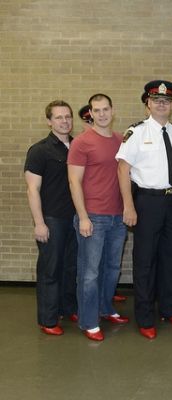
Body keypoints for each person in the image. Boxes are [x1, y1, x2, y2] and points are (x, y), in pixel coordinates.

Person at [116, 80, 172, 340]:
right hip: (147, 202)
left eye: (167, 100)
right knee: (145, 261)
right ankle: (145, 317)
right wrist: (128, 205)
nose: (162, 104)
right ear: (148, 103)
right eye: (157, 100)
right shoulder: (136, 132)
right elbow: (123, 169)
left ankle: (169, 308)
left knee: (170, 258)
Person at [67, 93, 128, 341]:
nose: (102, 114)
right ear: (91, 113)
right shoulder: (81, 142)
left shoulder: (121, 140)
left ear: (112, 111)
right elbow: (74, 181)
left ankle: (105, 308)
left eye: (105, 109)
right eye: (97, 110)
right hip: (93, 216)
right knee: (90, 272)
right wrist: (83, 217)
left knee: (112, 268)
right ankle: (88, 320)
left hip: (117, 217)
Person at [24, 100, 78, 335]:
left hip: (76, 219)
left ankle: (67, 309)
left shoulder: (78, 146)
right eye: (59, 117)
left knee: (70, 268)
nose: (64, 121)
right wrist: (39, 223)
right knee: (50, 269)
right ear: (49, 121)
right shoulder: (40, 150)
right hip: (52, 219)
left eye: (68, 116)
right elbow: (32, 189)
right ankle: (47, 319)